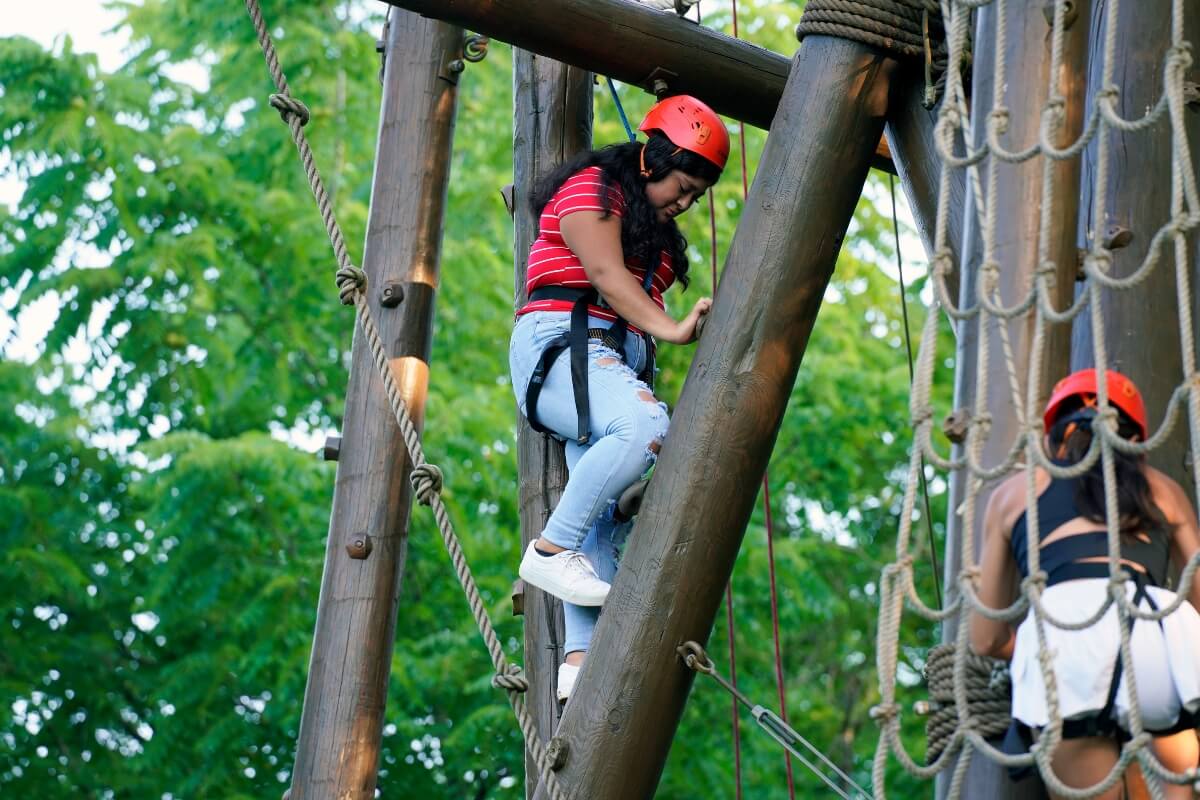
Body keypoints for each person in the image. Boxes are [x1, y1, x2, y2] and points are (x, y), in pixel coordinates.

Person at [509, 95, 728, 703]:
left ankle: (577, 664)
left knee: (600, 519)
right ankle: (547, 550)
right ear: (652, 159)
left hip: (608, 363)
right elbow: (606, 278)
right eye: (681, 187)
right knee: (643, 424)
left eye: (695, 197)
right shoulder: (589, 191)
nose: (684, 204)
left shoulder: (648, 229)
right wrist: (674, 327)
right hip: (562, 344)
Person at [971, 368, 1200, 799]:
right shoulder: (1161, 489)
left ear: (1051, 436)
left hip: (1063, 644)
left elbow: (984, 640)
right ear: (1136, 442)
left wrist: (1048, 640)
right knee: (1177, 778)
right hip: (1149, 634)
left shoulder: (1014, 493)